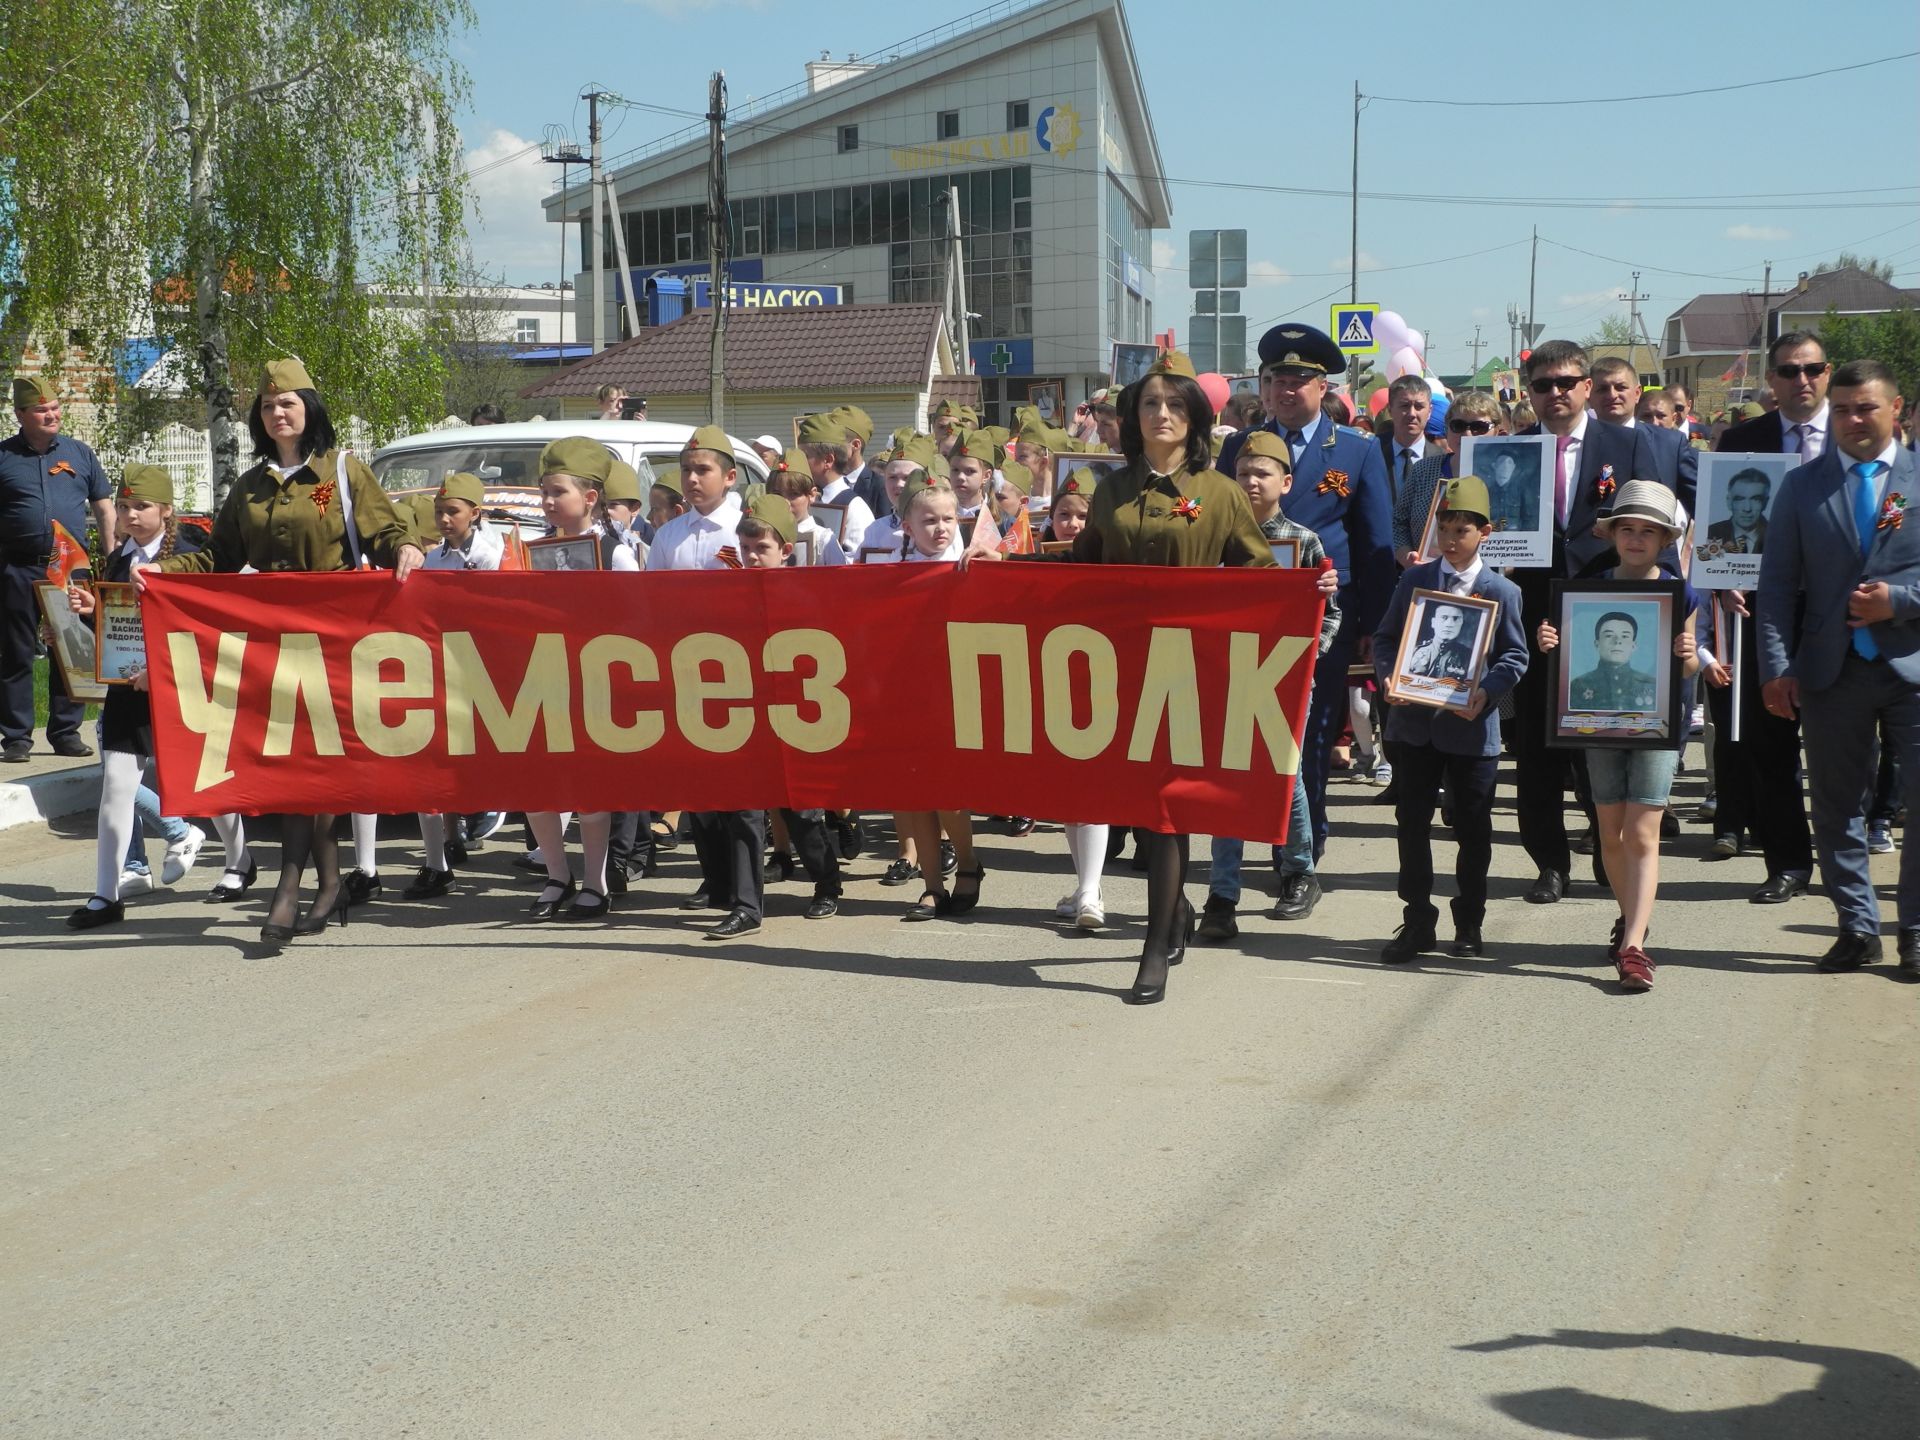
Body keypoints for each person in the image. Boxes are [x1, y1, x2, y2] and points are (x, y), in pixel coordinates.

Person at [143, 358, 422, 948]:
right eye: (269, 406)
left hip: (338, 640)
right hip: (277, 644)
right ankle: (325, 884)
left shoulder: (344, 471)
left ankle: (290, 886)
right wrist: (161, 572)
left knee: (312, 768)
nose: (278, 413)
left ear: (309, 409)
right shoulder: (249, 485)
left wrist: (409, 550)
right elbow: (217, 556)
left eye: (288, 403)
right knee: (301, 769)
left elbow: (386, 532)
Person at [1076, 349, 1275, 1004]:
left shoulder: (1215, 494)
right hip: (1120, 672)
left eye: (1175, 404)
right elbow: (1074, 577)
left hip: (1189, 672)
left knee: (1166, 809)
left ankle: (1153, 947)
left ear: (1196, 419)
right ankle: (1176, 911)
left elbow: (1259, 573)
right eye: (1150, 404)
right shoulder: (1108, 490)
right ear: (1134, 416)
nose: (1162, 414)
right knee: (1138, 805)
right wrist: (986, 569)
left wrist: (1311, 587)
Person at [1757, 358, 1920, 978]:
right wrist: (1776, 667)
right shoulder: (1803, 486)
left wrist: (1897, 602)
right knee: (1836, 804)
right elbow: (1776, 588)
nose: (1854, 420)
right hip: (1832, 672)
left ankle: (1914, 927)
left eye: (1868, 408)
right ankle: (1856, 926)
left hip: (1912, 666)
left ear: (1896, 409)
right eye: (1844, 409)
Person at [1216, 323, 1394, 863]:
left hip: (1325, 616)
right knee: (1250, 733)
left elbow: (1377, 543)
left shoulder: (1357, 450)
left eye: (1298, 379)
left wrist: (1373, 627)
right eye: (1275, 379)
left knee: (1313, 733)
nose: (1285, 390)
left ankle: (1305, 843)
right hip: (1250, 617)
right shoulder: (1241, 450)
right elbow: (1215, 525)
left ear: (1324, 388)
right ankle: (1265, 832)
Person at [1508, 340, 1676, 905]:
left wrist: (1669, 610)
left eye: (1566, 382)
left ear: (1586, 385)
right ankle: (1549, 862)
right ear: (1527, 391)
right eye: (1542, 385)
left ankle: (1610, 854)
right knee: (1534, 748)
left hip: (1609, 611)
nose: (1554, 394)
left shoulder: (1627, 445)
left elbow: (1657, 527)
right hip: (1532, 616)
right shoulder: (1510, 452)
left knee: (1600, 742)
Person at [1538, 481, 1701, 991]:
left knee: (1642, 833)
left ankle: (1633, 945)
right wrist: (1551, 643)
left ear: (1663, 540)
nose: (1635, 539)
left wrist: (1688, 653)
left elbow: (1692, 664)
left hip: (1657, 724)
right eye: (1627, 529)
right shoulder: (1590, 585)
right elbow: (1565, 658)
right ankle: (1631, 916)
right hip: (1595, 723)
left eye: (1647, 532)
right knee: (1609, 833)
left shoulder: (1682, 592)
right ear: (1613, 535)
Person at [1373, 475, 1528, 962]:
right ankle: (1417, 919)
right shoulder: (1415, 580)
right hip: (1415, 727)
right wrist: (1389, 680)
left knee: (1473, 828)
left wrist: (1486, 691)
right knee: (1411, 824)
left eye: (1462, 530)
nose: (1451, 539)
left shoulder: (1500, 589)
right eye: (1445, 528)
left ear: (1485, 532)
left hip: (1471, 727)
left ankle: (1469, 922)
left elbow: (1516, 656)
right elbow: (1386, 640)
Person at [1198, 430, 1341, 941]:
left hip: (1283, 676)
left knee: (1286, 773)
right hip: (1224, 673)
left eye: (1262, 473)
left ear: (1286, 481)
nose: (1251, 482)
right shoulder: (1212, 536)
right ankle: (1222, 891)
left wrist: (1305, 656)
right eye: (1242, 473)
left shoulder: (1302, 541)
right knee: (1227, 777)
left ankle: (1298, 870)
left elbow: (1330, 615)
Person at [63, 464, 216, 928]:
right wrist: (93, 611)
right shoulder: (118, 557)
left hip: (178, 685)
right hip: (129, 690)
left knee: (205, 784)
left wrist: (162, 670)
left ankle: (239, 860)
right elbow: (120, 629)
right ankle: (105, 897)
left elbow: (202, 630)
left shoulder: (190, 556)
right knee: (116, 789)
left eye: (141, 506)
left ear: (167, 510)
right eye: (124, 506)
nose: (129, 515)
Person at [736, 494, 843, 919]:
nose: (751, 557)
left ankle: (826, 881)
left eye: (761, 548)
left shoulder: (806, 592)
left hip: (798, 713)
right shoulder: (727, 588)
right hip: (747, 712)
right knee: (745, 809)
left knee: (801, 811)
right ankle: (746, 903)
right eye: (744, 549)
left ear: (784, 549)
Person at [2, 375, 113, 762]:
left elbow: (103, 507)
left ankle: (66, 732)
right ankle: (16, 737)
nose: (51, 415)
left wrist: (113, 559)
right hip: (16, 568)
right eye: (41, 410)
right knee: (15, 653)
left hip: (71, 568)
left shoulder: (80, 454)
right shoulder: (3, 457)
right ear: (20, 414)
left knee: (71, 650)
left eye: (54, 408)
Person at [888, 469, 983, 921]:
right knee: (916, 792)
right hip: (905, 692)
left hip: (955, 691)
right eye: (929, 520)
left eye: (948, 518)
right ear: (908, 526)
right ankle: (931, 885)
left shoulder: (973, 566)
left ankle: (967, 862)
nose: (941, 527)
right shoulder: (889, 571)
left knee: (950, 792)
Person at [1394, 391, 1503, 565]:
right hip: (1430, 577)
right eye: (1458, 426)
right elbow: (1399, 522)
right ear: (1447, 429)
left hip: (1489, 582)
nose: (1467, 434)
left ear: (1497, 431)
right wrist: (1406, 556)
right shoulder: (1423, 470)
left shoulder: (1506, 477)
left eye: (1478, 427)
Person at [1379, 375, 1434, 503]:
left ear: (1430, 411)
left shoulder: (1443, 460)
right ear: (1390, 410)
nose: (1412, 414)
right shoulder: (1373, 455)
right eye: (1404, 406)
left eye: (1419, 406)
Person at [1706, 468, 1771, 554]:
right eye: (1739, 499)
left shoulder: (1778, 536)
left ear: (1765, 503)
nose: (1747, 509)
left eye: (1756, 499)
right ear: (1729, 502)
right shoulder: (1710, 533)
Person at [1410, 601, 1476, 682]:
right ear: (1433, 622)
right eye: (1444, 617)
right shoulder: (1413, 650)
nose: (1449, 624)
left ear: (1461, 624)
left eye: (1456, 619)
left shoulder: (1469, 657)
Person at [1483, 450, 1539, 533]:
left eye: (1509, 463)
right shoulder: (1485, 492)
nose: (1505, 466)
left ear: (1513, 467)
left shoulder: (1522, 492)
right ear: (1494, 466)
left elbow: (1530, 521)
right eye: (1502, 462)